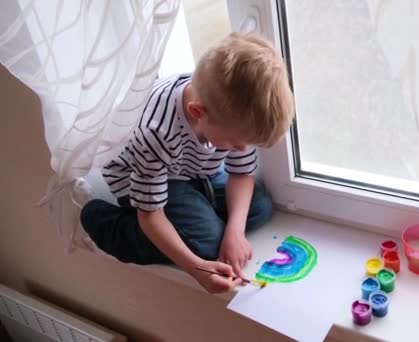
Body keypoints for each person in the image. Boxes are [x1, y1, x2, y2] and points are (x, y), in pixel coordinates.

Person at [80, 32, 294, 294]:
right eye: (236, 143)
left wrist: (235, 232)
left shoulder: (229, 115)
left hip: (191, 170)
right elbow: (151, 215)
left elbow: (241, 174)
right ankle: (110, 224)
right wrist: (197, 269)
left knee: (259, 207)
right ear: (197, 113)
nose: (242, 150)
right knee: (206, 243)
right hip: (143, 183)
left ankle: (199, 217)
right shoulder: (156, 133)